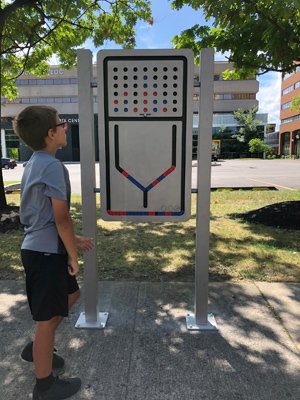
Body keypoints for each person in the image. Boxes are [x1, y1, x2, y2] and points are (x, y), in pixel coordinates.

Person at [13, 105, 94, 400]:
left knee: (71, 296)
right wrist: (72, 255)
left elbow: (45, 216)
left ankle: (38, 346)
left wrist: (75, 240)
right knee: (47, 320)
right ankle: (44, 385)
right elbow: (61, 218)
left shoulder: (35, 161)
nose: (65, 128)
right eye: (62, 125)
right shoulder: (52, 166)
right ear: (50, 134)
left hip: (41, 247)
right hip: (46, 253)